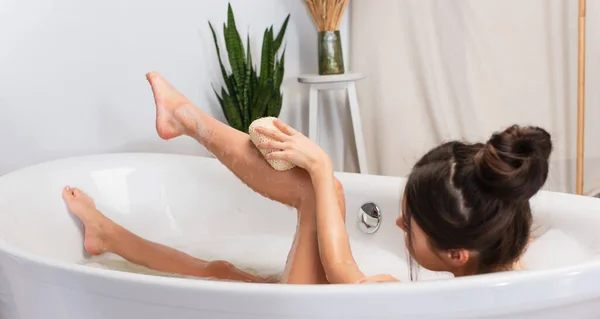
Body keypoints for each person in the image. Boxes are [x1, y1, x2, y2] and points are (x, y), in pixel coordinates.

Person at [63, 72, 552, 284]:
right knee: (222, 274)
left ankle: (187, 118)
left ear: (456, 254)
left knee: (315, 189)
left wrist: (320, 166)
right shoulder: (499, 258)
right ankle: (110, 233)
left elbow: (344, 277)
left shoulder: (457, 297)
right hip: (320, 315)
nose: (398, 228)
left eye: (410, 227)